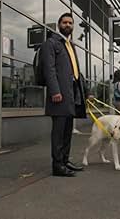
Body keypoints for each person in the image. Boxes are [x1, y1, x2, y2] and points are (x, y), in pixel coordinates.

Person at [41, 12, 88, 177]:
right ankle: (57, 166)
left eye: (70, 23)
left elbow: (76, 72)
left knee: (68, 130)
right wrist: (54, 91)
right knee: (59, 132)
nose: (68, 25)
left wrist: (85, 91)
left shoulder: (70, 45)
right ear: (59, 24)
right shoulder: (51, 43)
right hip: (59, 94)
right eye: (65, 22)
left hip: (71, 93)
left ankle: (65, 160)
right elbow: (49, 69)